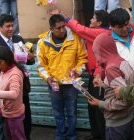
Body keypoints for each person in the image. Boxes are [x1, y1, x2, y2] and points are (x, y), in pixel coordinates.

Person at [48, 9, 110, 140]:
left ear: (99, 22)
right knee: (92, 106)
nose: (90, 20)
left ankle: (102, 136)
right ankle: (96, 134)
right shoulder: (44, 42)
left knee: (98, 108)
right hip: (93, 76)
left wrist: (67, 18)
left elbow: (80, 30)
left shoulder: (101, 33)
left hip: (99, 77)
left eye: (93, 18)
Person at [36, 14, 87, 140]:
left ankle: (72, 136)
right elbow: (41, 65)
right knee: (58, 113)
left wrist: (78, 71)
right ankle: (60, 135)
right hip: (54, 86)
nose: (62, 30)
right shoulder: (42, 43)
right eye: (58, 28)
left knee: (72, 113)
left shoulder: (75, 39)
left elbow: (83, 59)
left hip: (71, 85)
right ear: (51, 29)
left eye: (63, 26)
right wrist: (48, 78)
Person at [94, 8, 134, 140]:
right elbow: (101, 60)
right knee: (131, 125)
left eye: (126, 24)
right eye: (120, 27)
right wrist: (98, 74)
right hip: (125, 89)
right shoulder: (107, 40)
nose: (125, 29)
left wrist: (101, 104)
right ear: (112, 27)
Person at [89, 32, 134, 140]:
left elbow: (124, 101)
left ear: (102, 52)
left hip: (117, 123)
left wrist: (99, 103)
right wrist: (105, 85)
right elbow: (124, 89)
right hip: (128, 118)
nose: (97, 59)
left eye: (96, 54)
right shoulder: (122, 62)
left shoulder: (111, 69)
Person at [0, 14, 34, 140]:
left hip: (22, 86)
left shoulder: (18, 39)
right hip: (5, 88)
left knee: (26, 118)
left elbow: (28, 61)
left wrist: (30, 57)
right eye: (7, 26)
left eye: (12, 25)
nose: (11, 29)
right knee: (8, 124)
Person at [0, 45, 26, 140]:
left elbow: (14, 93)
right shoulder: (3, 71)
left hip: (14, 115)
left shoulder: (14, 74)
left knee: (18, 137)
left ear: (7, 60)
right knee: (11, 137)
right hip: (7, 112)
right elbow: (3, 87)